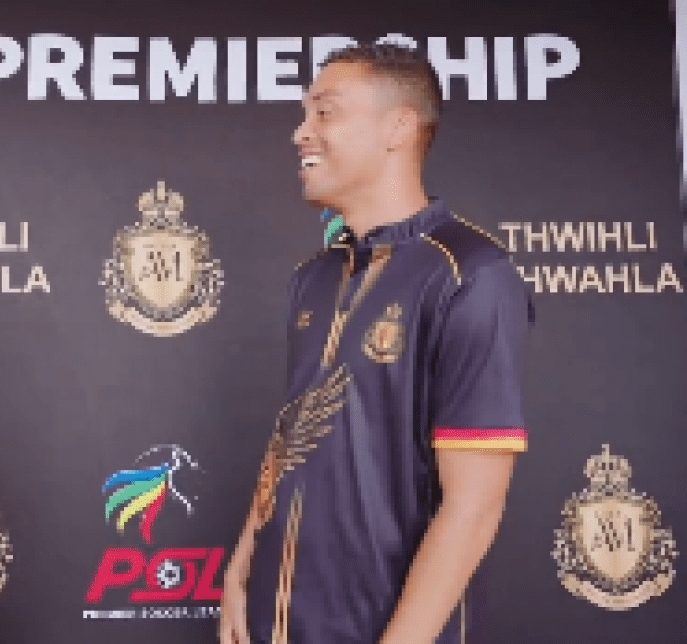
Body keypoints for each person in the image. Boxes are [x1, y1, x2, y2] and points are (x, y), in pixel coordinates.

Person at [218, 44, 534, 644]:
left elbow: (472, 510)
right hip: (274, 623)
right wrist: (242, 565)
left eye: (325, 112)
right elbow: (292, 438)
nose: (301, 132)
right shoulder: (312, 277)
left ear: (398, 128)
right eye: (305, 114)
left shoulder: (470, 274)